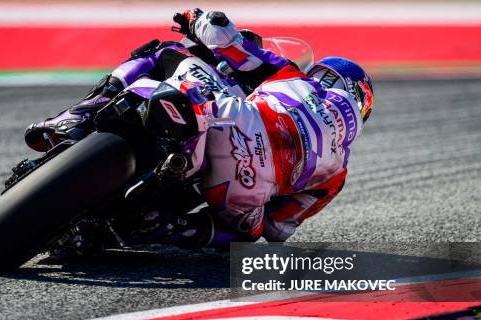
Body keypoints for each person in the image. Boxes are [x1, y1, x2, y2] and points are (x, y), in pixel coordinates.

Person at [24, 9, 374, 248]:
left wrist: (195, 19)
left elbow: (228, 40)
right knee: (247, 233)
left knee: (163, 53)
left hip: (230, 122)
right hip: (245, 189)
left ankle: (78, 116)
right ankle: (170, 227)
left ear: (321, 78)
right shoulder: (338, 174)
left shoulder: (292, 76)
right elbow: (278, 229)